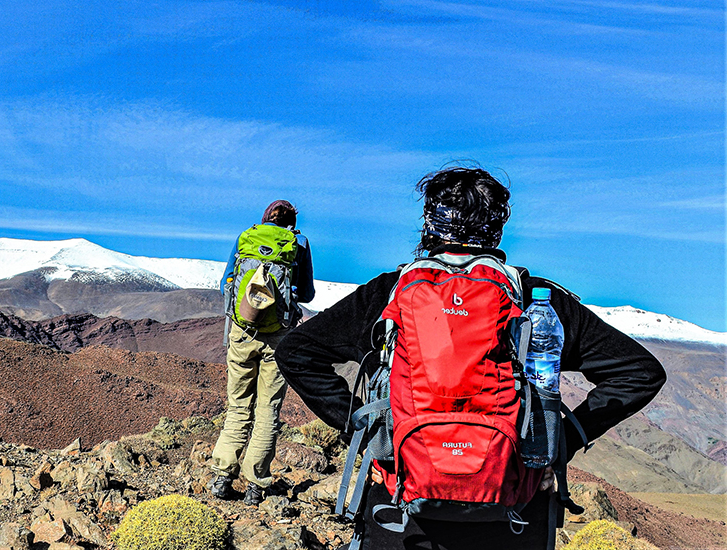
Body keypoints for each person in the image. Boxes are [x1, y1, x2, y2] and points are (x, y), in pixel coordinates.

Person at [274, 166, 666, 549]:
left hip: (402, 512)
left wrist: (376, 439)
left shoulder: (389, 294)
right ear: (496, 228)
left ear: (429, 223)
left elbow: (296, 352)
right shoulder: (536, 302)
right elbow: (641, 373)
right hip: (516, 511)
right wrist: (555, 445)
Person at [210, 199, 315, 506]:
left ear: (264, 217)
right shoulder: (300, 243)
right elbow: (307, 293)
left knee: (238, 406)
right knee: (267, 411)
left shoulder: (247, 236)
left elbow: (225, 283)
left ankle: (221, 477)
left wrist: (250, 306)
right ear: (291, 222)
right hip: (279, 337)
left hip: (243, 332)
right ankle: (256, 485)